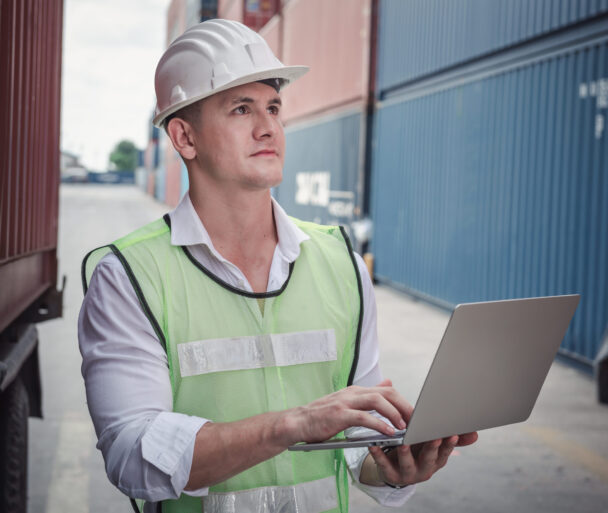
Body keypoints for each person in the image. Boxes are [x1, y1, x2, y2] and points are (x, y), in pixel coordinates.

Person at [78, 19, 477, 513]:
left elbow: (354, 444)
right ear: (184, 137)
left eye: (273, 107)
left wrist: (393, 468)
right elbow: (132, 453)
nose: (268, 127)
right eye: (241, 109)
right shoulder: (128, 276)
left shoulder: (340, 263)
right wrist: (290, 424)